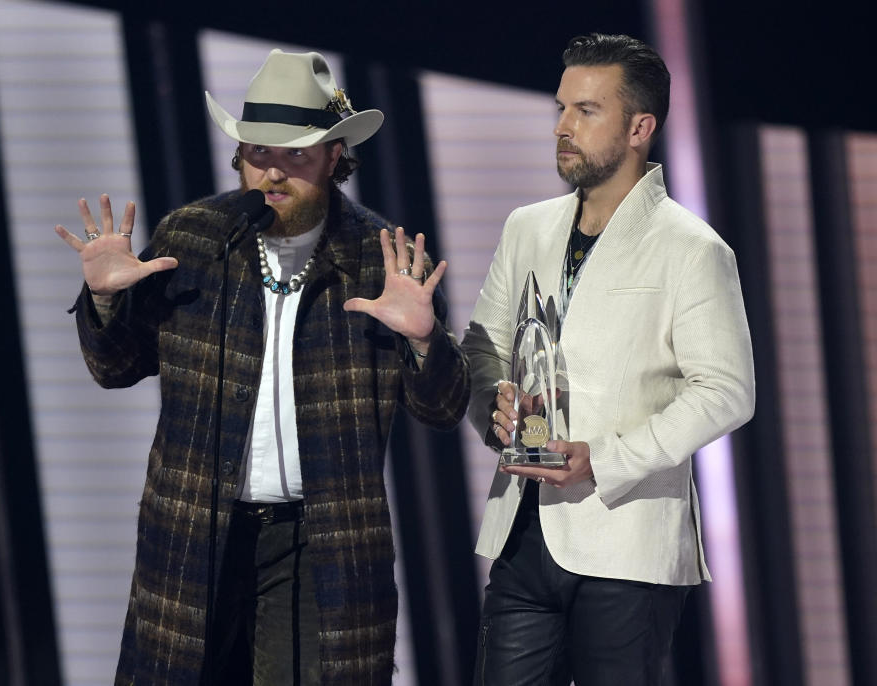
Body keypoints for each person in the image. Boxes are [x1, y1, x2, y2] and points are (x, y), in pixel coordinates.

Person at [54, 49, 470, 685]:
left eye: (295, 155)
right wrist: (107, 300)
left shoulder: (380, 259)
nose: (272, 174)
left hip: (322, 545)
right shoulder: (192, 238)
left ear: (335, 156)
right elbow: (115, 369)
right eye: (258, 154)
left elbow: (442, 410)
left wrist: (423, 340)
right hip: (194, 532)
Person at [461, 33, 755, 685]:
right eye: (561, 108)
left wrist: (609, 457)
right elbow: (482, 346)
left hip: (627, 540)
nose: (563, 127)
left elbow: (728, 391)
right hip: (524, 529)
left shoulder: (692, 248)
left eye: (586, 111)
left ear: (639, 128)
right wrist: (494, 401)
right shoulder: (526, 227)